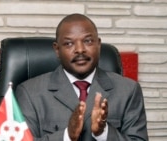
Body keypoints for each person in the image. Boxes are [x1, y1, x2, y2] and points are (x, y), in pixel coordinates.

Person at [15, 13, 148, 141]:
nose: (80, 49)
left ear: (98, 45)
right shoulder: (29, 93)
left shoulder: (128, 90)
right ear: (57, 50)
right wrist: (67, 136)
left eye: (88, 41)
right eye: (69, 43)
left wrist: (104, 133)